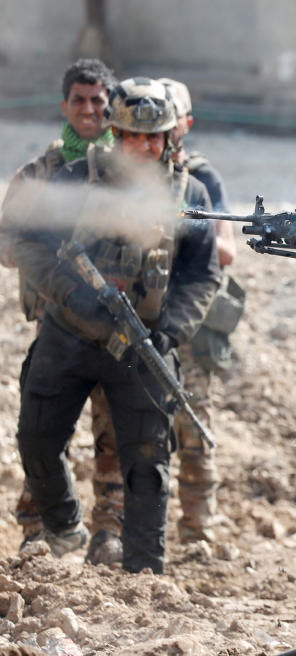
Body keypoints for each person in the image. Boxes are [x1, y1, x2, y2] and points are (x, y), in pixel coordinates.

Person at [13, 76, 220, 573]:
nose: (146, 147)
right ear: (116, 135)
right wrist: (67, 294)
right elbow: (29, 245)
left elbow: (201, 275)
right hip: (69, 332)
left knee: (148, 466)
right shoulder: (74, 181)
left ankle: (145, 572)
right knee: (36, 439)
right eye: (134, 137)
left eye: (156, 137)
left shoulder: (188, 193)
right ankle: (64, 526)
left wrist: (168, 332)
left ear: (171, 137)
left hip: (141, 344)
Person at [0, 58, 119, 555]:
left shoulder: (130, 169)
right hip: (57, 323)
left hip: (116, 328)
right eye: (79, 100)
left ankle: (111, 528)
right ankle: (40, 527)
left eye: (98, 101)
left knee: (115, 432)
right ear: (64, 104)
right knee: (45, 429)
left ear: (111, 106)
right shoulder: (39, 174)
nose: (89, 110)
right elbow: (7, 246)